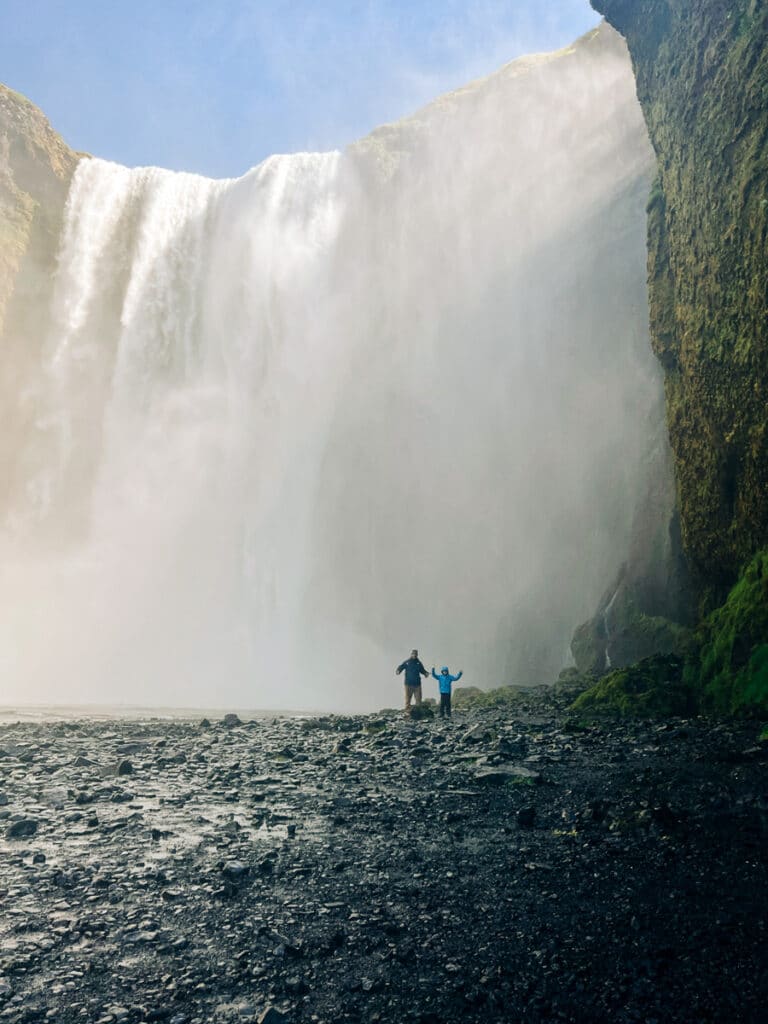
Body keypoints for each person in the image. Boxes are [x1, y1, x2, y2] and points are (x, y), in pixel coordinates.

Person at [396, 649, 428, 716]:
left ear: (417, 655)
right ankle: (407, 712)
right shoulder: (407, 662)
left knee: (418, 699)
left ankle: (418, 712)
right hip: (408, 684)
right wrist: (398, 670)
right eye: (413, 654)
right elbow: (401, 667)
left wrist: (425, 673)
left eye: (416, 654)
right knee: (408, 698)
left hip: (417, 684)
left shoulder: (419, 663)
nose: (414, 655)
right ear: (411, 654)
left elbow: (422, 670)